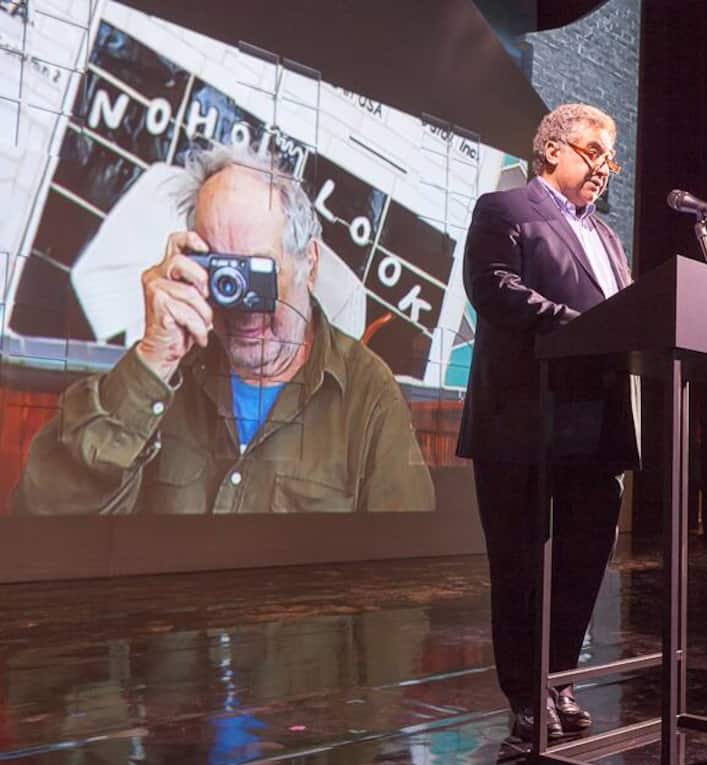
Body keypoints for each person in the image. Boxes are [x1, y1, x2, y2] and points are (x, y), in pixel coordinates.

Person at [12, 144, 434, 514]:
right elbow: (43, 517)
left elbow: (404, 572)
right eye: (222, 273)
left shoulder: (367, 394)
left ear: (309, 265)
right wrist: (151, 362)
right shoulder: (167, 370)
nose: (241, 306)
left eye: (258, 271)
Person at [456, 103, 640, 743]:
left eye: (611, 158)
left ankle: (559, 679)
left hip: (596, 425)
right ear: (551, 150)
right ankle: (525, 695)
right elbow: (492, 286)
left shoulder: (610, 239)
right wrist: (578, 327)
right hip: (522, 418)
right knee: (519, 566)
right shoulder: (504, 210)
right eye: (594, 152)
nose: (604, 168)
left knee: (584, 563)